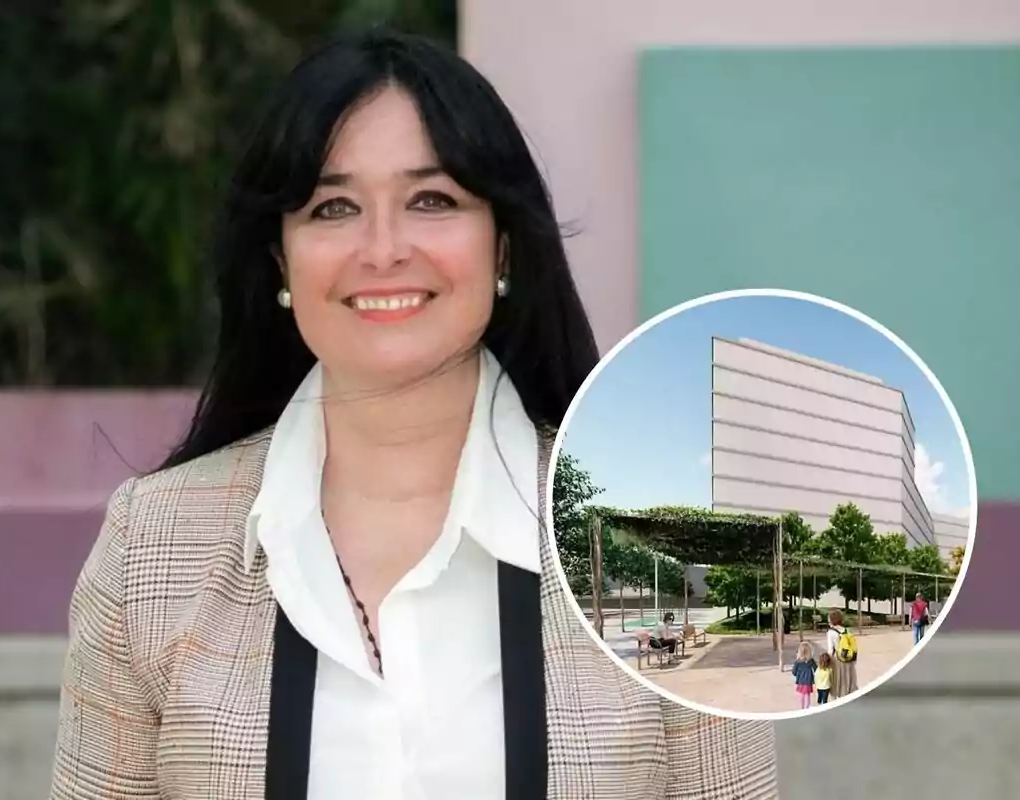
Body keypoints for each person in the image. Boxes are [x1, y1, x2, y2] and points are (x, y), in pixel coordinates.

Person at [48, 28, 778, 800]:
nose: (384, 248)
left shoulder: (678, 549)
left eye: (432, 200)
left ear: (502, 249)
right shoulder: (150, 550)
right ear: (279, 263)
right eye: (333, 208)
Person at [826, 609, 859, 699]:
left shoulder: (830, 632)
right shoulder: (846, 630)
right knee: (848, 680)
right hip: (849, 659)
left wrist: (827, 662)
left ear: (832, 620)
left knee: (838, 681)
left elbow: (830, 650)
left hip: (838, 659)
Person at [790, 642, 817, 710]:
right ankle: (807, 708)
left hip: (800, 681)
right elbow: (816, 668)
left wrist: (797, 675)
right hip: (808, 680)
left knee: (801, 695)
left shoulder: (798, 661)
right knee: (807, 695)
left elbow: (793, 672)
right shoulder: (811, 660)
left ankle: (802, 708)